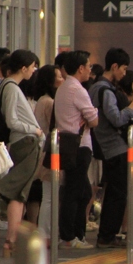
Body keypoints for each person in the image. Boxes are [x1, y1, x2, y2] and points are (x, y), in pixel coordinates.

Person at [89, 48, 133, 248]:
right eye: (123, 68)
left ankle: (108, 234)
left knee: (115, 192)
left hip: (107, 146)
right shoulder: (105, 90)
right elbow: (115, 118)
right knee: (117, 193)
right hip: (114, 147)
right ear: (114, 67)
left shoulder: (96, 88)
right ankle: (107, 236)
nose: (124, 73)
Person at [0, 50, 43, 255]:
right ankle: (12, 239)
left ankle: (13, 237)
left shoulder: (5, 86)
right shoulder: (13, 88)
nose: (33, 71)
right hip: (25, 141)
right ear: (24, 68)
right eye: (32, 67)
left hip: (19, 142)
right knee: (19, 191)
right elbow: (12, 120)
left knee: (18, 190)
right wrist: (35, 130)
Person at [55, 51, 99, 249]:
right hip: (79, 146)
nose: (90, 70)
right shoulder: (78, 89)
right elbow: (94, 120)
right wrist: (91, 118)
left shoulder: (63, 88)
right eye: (89, 66)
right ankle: (70, 236)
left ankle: (75, 234)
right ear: (80, 68)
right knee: (76, 191)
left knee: (82, 190)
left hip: (66, 144)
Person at [32, 64, 63, 238]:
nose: (62, 80)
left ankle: (45, 231)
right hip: (50, 152)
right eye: (58, 77)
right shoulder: (49, 102)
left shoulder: (42, 100)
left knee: (48, 195)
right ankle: (46, 232)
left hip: (44, 150)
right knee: (50, 195)